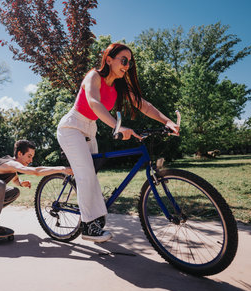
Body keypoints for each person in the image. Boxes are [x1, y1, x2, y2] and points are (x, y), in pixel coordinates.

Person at [57, 43, 180, 242]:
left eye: (130, 63)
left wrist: (167, 121)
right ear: (109, 59)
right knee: (86, 173)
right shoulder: (94, 76)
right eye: (124, 60)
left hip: (90, 130)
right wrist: (117, 126)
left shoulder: (119, 86)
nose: (127, 65)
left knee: (90, 175)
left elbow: (143, 105)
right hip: (71, 128)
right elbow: (94, 102)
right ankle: (89, 228)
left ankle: (94, 218)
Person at [0, 139, 73, 236]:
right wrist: (62, 169)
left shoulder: (12, 166)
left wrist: (20, 183)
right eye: (29, 156)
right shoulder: (9, 164)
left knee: (14, 192)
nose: (31, 160)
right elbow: (36, 171)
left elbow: (14, 178)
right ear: (19, 154)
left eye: (32, 157)